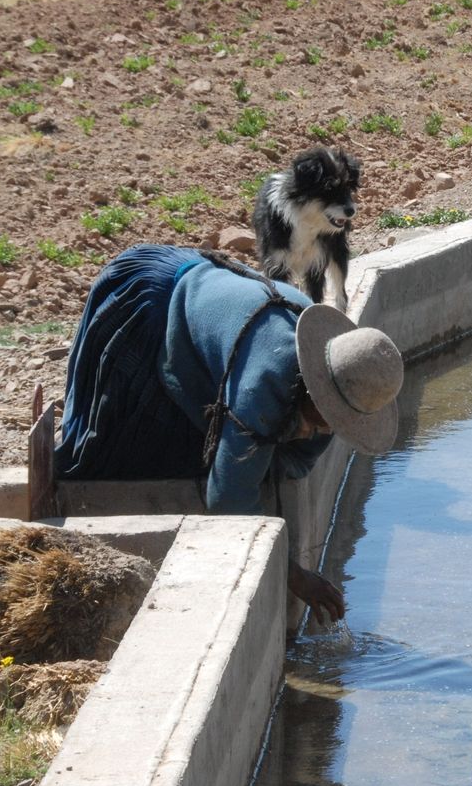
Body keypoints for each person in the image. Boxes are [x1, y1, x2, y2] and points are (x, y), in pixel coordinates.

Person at [55, 244, 404, 621]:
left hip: (216, 308)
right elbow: (227, 503)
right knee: (115, 447)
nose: (323, 430)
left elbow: (296, 463)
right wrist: (295, 576)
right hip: (149, 299)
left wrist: (275, 444)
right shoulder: (267, 377)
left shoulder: (335, 375)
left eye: (339, 422)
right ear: (314, 388)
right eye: (324, 418)